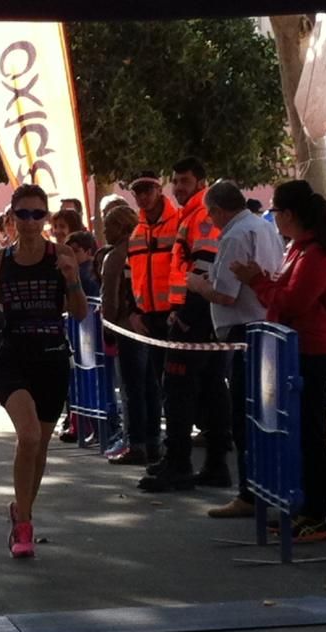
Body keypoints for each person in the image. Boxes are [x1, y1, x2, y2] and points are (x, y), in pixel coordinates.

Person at [0, 183, 87, 558]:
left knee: (40, 445)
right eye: (24, 214)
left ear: (47, 219)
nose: (31, 221)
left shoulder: (62, 255)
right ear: (11, 219)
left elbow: (81, 312)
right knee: (29, 437)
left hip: (52, 356)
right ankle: (24, 526)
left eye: (39, 214)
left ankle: (23, 511)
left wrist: (71, 278)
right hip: (13, 355)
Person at [231, 179, 326, 543]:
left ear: (289, 214)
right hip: (293, 351)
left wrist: (258, 281)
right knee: (296, 434)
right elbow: (283, 295)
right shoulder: (298, 250)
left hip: (312, 352)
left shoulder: (316, 255)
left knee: (311, 435)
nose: (273, 219)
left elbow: (292, 303)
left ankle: (316, 516)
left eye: (275, 211)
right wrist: (264, 283)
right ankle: (299, 508)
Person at [187, 181, 285, 518]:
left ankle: (249, 493)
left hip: (245, 328)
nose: (210, 219)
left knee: (246, 417)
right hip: (266, 327)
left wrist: (199, 285)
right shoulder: (265, 227)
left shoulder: (233, 235)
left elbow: (225, 294)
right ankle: (265, 487)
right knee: (264, 416)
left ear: (216, 209)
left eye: (210, 212)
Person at [139, 157, 229, 493]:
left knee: (178, 390)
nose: (178, 187)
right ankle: (215, 465)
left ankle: (179, 464)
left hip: (196, 319)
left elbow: (205, 266)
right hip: (201, 316)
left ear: (201, 183)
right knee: (210, 388)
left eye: (185, 181)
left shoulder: (202, 216)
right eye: (175, 181)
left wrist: (188, 314)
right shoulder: (190, 215)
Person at [122, 170, 177, 467]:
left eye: (147, 190)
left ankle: (172, 451)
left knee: (175, 386)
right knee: (158, 383)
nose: (142, 196)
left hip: (174, 316)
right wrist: (133, 311)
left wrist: (179, 310)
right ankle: (159, 448)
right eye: (137, 191)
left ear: (158, 189)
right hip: (148, 318)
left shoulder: (177, 224)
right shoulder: (137, 232)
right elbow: (131, 276)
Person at [101, 205, 163, 466]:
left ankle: (135, 442)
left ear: (121, 226)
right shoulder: (146, 247)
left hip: (126, 325)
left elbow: (111, 295)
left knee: (131, 387)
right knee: (150, 386)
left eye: (109, 225)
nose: (104, 230)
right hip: (149, 324)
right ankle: (152, 441)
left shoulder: (116, 255)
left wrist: (108, 324)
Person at [64, 230, 99, 297]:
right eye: (68, 251)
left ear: (88, 252)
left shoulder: (78, 273)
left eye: (75, 251)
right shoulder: (97, 268)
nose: (71, 255)